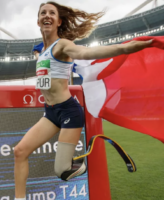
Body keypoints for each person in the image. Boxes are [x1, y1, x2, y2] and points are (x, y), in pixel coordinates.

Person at [13, 2, 153, 200]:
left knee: (62, 171)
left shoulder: (62, 45)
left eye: (52, 13)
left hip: (69, 111)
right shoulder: (38, 49)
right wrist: (38, 55)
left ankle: (80, 161)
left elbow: (87, 53)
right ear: (38, 20)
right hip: (51, 112)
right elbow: (42, 60)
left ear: (58, 21)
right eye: (43, 12)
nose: (47, 15)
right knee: (19, 151)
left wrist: (125, 48)